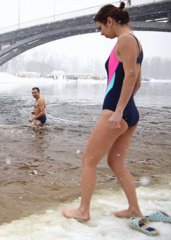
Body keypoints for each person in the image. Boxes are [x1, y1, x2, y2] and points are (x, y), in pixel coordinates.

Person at [62, 2, 144, 221]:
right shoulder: (135, 41)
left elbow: (131, 76)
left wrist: (118, 111)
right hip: (129, 112)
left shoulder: (125, 40)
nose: (100, 33)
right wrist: (126, 108)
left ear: (110, 21)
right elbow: (138, 82)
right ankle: (134, 209)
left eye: (100, 28)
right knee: (115, 163)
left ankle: (83, 211)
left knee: (88, 160)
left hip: (115, 112)